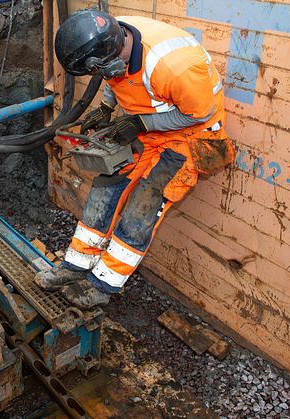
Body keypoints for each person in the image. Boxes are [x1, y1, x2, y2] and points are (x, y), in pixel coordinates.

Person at [35, 10, 234, 309]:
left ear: (111, 56)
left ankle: (103, 285)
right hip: (148, 129)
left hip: (188, 137)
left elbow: (198, 114)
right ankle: (75, 266)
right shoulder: (115, 37)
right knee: (106, 188)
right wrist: (105, 106)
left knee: (143, 206)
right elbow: (114, 77)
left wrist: (140, 124)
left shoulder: (174, 66)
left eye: (100, 70)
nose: (100, 77)